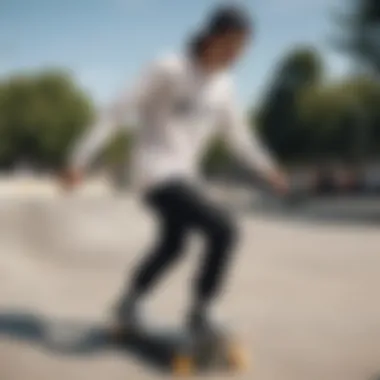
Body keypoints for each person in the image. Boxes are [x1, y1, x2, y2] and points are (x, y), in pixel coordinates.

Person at [63, 5, 288, 334]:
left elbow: (239, 134)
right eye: (232, 44)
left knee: (174, 245)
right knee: (224, 229)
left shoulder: (224, 85)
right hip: (154, 173)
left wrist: (268, 168)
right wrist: (78, 158)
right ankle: (201, 310)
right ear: (212, 37)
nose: (236, 54)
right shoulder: (168, 68)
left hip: (185, 176)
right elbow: (117, 110)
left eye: (242, 48)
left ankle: (130, 302)